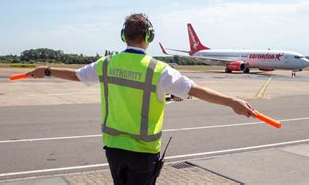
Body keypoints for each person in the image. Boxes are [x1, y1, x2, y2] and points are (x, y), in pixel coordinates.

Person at [27, 13, 256, 185]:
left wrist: (46, 70)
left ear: (122, 36)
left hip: (113, 147)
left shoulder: (106, 64)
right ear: (149, 36)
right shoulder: (158, 70)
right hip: (143, 151)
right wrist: (232, 102)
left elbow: (76, 75)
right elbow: (195, 90)